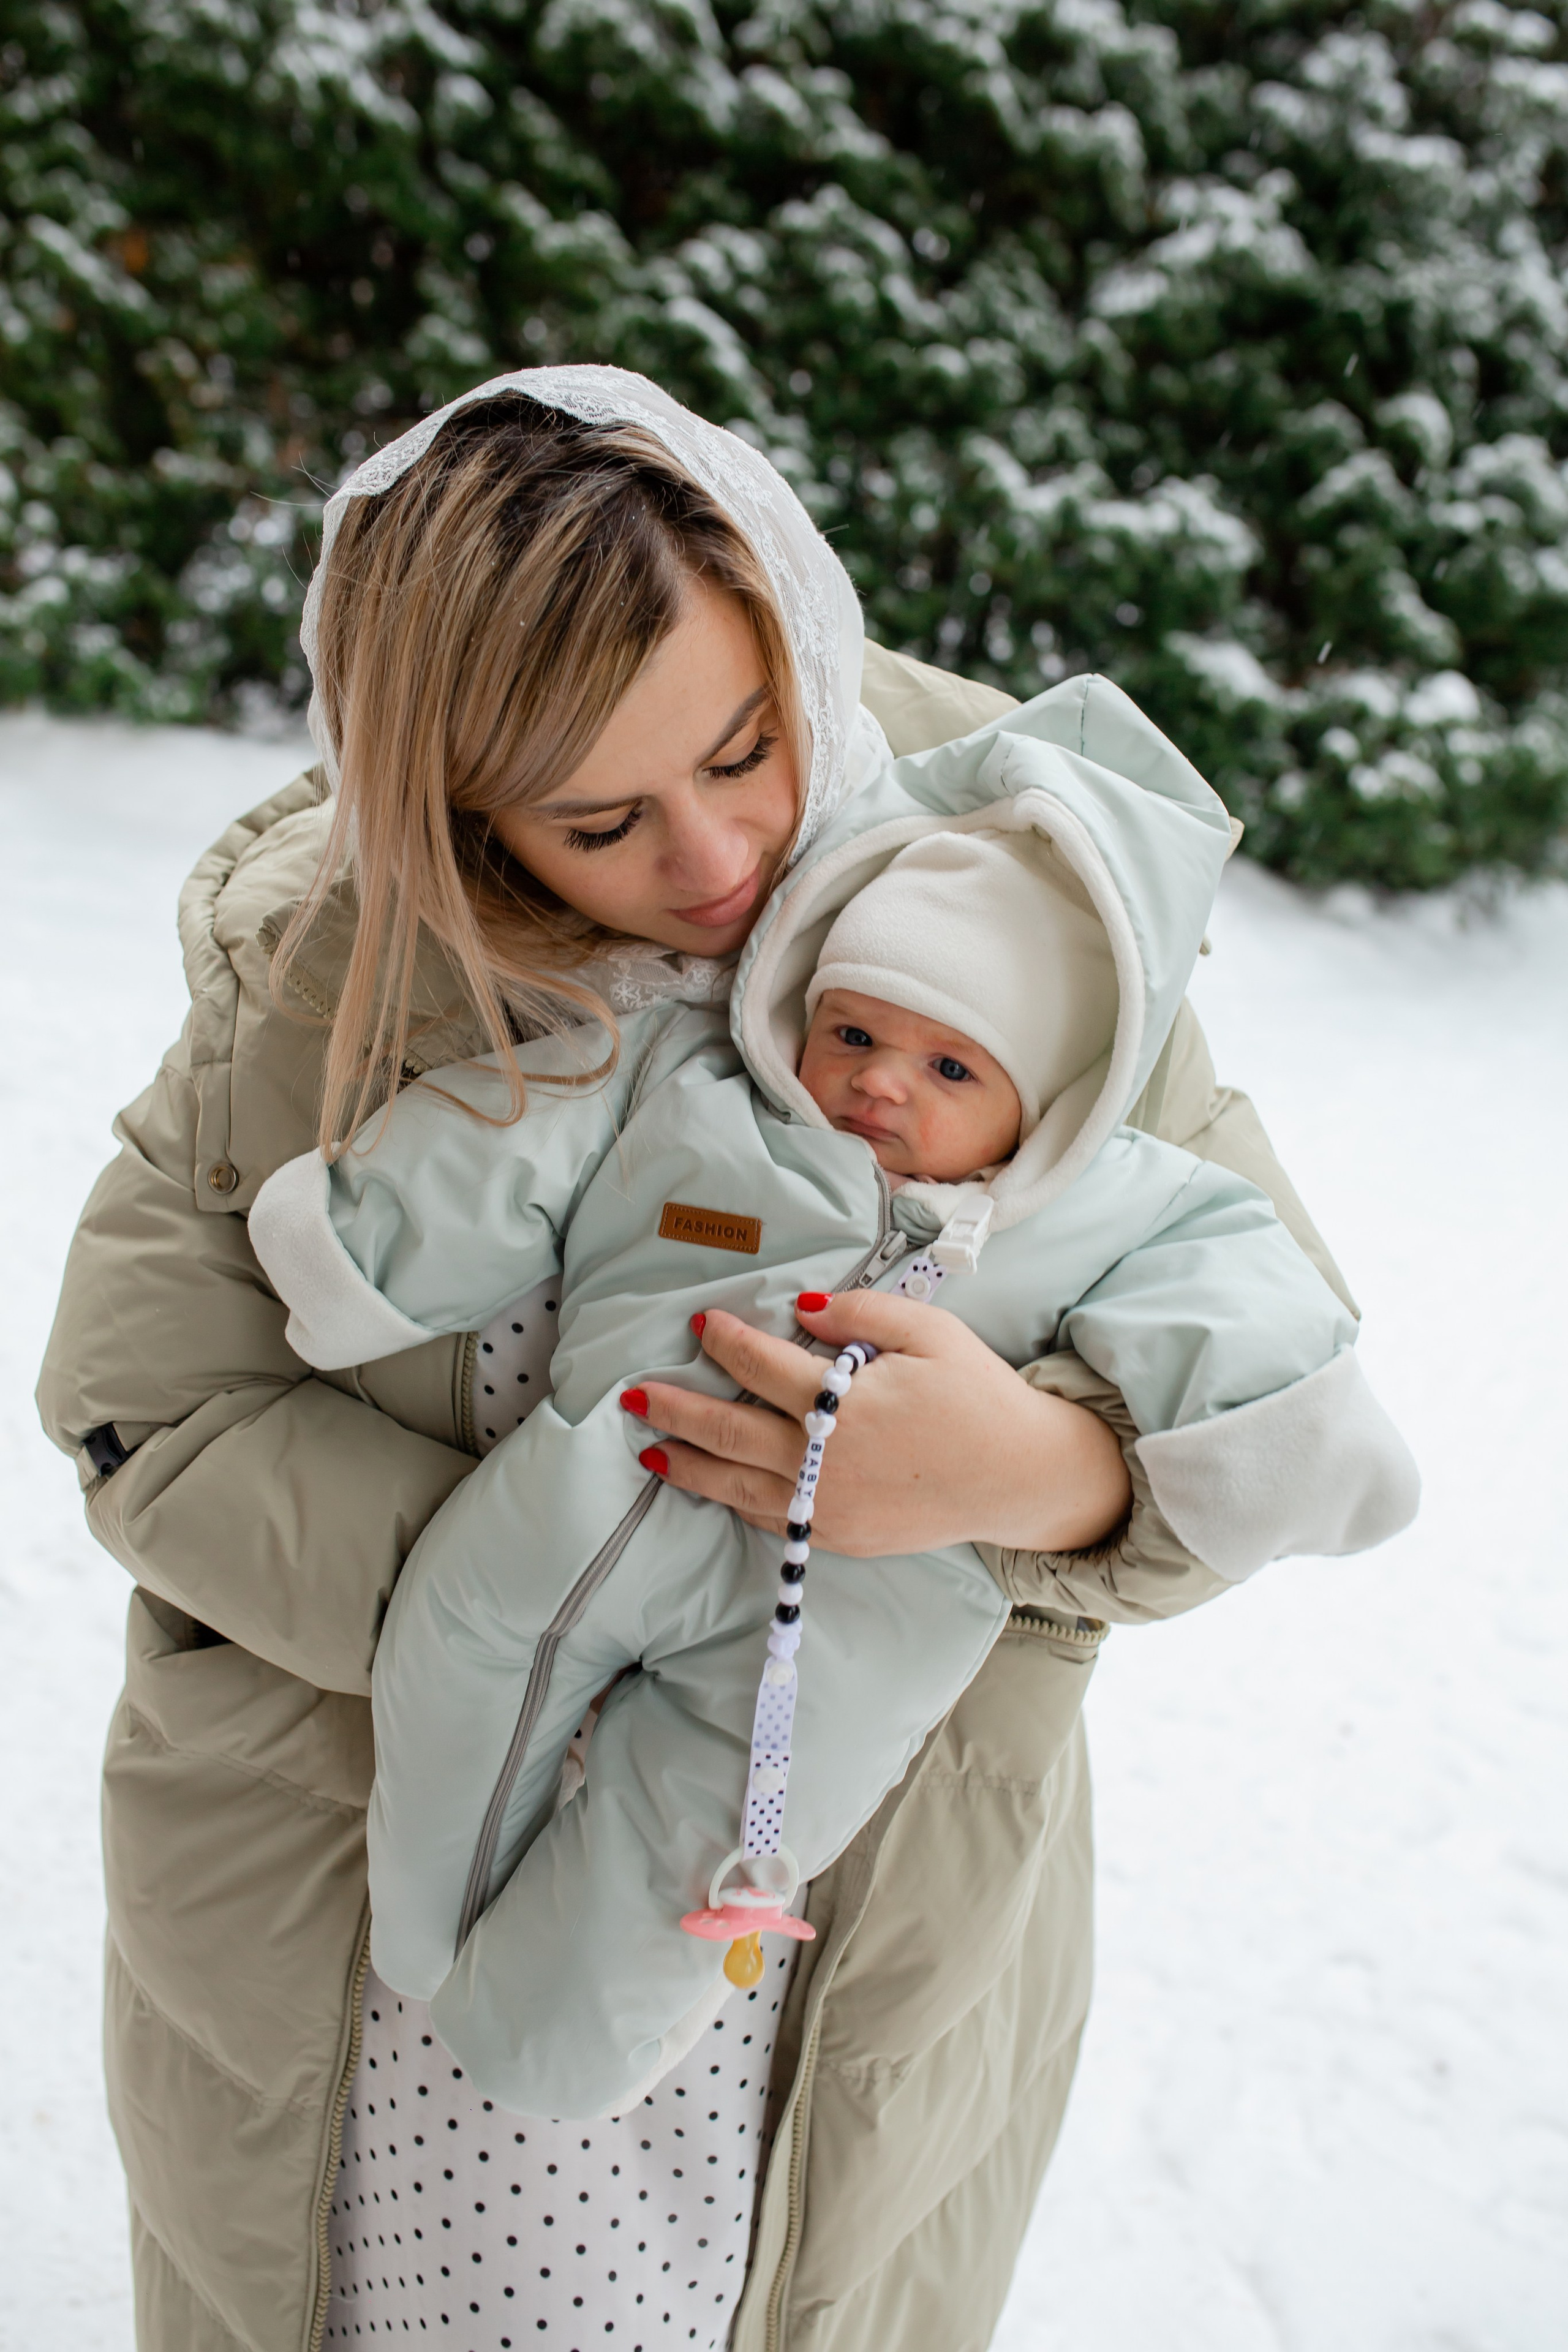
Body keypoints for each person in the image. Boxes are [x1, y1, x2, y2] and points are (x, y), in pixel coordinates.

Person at [36, 366, 1381, 2352]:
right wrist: (550, 1602)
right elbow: (144, 1407)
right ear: (458, 808)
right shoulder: (330, 958)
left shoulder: (1031, 888)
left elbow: (1268, 1383)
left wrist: (1031, 1471)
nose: (720, 847)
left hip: (829, 1908)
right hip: (386, 1905)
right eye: (599, 819)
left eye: (750, 747)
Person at [246, 749, 1415, 2132]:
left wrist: (1182, 1460)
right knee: (457, 1653)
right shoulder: (692, 1082)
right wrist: (363, 1240)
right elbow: (507, 1141)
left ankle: (539, 2037)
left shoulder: (1115, 1209)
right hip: (592, 1487)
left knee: (701, 1834)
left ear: (1043, 1098)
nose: (877, 1086)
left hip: (851, 1627)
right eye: (852, 1033)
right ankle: (424, 1937)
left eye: (947, 1065)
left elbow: (1251, 1327)